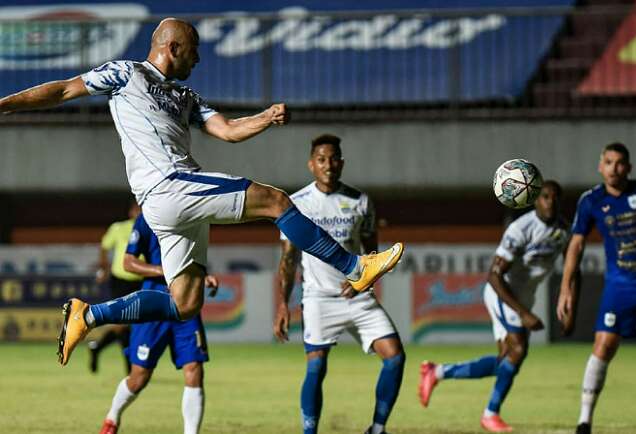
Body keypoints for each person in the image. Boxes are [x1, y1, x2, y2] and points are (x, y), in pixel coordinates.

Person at [0, 18, 404, 366]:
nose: (198, 59)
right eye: (193, 51)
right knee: (278, 201)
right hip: (170, 186)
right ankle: (354, 268)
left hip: (169, 204)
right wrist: (6, 105)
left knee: (185, 303)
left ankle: (88, 316)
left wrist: (264, 117)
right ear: (173, 47)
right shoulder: (126, 74)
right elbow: (63, 90)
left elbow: (227, 131)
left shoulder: (185, 97)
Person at [274, 134, 405, 434]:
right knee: (316, 366)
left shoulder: (360, 201)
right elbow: (287, 260)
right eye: (322, 159)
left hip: (357, 295)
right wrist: (283, 303)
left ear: (342, 162)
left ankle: (378, 428)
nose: (328, 165)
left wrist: (365, 282)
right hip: (318, 297)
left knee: (395, 357)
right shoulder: (297, 203)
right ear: (311, 164)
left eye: (333, 158)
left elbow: (373, 255)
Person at [419, 181, 569, 433]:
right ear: (535, 199)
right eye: (544, 196)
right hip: (504, 294)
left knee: (505, 362)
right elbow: (494, 276)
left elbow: (572, 268)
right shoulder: (521, 229)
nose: (550, 202)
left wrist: (569, 304)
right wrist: (524, 313)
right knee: (518, 350)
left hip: (524, 298)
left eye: (555, 197)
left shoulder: (564, 230)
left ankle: (437, 372)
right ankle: (490, 414)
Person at [557, 143, 636, 434]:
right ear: (600, 167)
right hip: (620, 284)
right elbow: (576, 244)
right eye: (608, 162)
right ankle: (584, 421)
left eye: (620, 163)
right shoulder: (591, 201)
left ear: (629, 168)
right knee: (604, 346)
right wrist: (566, 288)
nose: (614, 168)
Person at [99, 213, 217, 434]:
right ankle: (112, 418)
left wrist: (203, 276)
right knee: (139, 377)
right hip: (154, 305)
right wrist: (167, 271)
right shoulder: (148, 217)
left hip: (186, 304)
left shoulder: (195, 214)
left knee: (194, 368)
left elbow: (193, 259)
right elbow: (129, 262)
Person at [89, 200, 143, 374]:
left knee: (130, 324)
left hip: (140, 281)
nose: (140, 213)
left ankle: (97, 347)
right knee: (122, 323)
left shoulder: (151, 230)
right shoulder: (119, 228)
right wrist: (103, 268)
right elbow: (105, 247)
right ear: (131, 212)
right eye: (138, 210)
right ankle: (129, 366)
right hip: (120, 280)